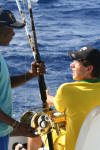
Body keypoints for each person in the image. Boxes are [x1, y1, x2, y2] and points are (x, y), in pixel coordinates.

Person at [0, 7, 45, 150]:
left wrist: (30, 75)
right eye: (9, 29)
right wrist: (17, 126)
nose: (13, 33)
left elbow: (5, 83)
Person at [46, 46, 100, 150]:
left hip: (75, 147)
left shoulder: (66, 90)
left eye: (77, 62)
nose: (71, 65)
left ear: (89, 68)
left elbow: (57, 105)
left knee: (41, 131)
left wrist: (47, 97)